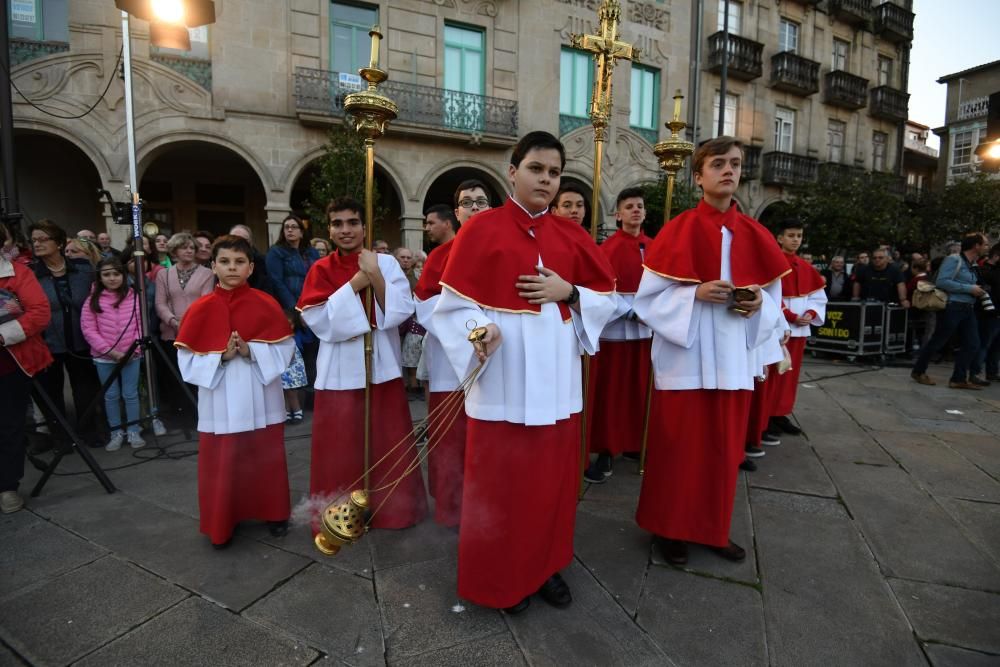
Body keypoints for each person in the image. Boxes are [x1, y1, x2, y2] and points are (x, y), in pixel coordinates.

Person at [431, 131, 617, 613]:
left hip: (557, 385)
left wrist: (570, 292)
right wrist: (478, 330)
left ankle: (544, 567)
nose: (546, 180)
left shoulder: (573, 236)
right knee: (500, 486)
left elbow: (609, 302)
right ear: (513, 171)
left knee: (549, 486)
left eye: (554, 173)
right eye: (537, 169)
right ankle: (501, 578)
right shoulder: (480, 229)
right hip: (503, 383)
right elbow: (450, 309)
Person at [631, 136, 787, 567]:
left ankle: (713, 529)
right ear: (698, 176)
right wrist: (694, 294)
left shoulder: (757, 235)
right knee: (678, 452)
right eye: (718, 163)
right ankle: (670, 529)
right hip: (687, 362)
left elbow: (774, 303)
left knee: (724, 454)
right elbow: (646, 302)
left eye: (735, 163)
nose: (729, 170)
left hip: (734, 361)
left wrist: (759, 304)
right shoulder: (677, 231)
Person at [298, 197, 427, 532]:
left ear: (364, 226)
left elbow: (400, 311)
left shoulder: (384, 263)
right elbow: (319, 320)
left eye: (352, 222)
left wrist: (375, 275)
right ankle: (340, 515)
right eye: (337, 223)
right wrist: (357, 284)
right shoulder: (320, 269)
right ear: (328, 229)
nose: (345, 230)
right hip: (339, 367)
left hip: (380, 364)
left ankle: (392, 510)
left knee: (385, 439)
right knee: (341, 445)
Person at [176, 235, 296, 548]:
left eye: (239, 262)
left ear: (251, 267)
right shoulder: (200, 308)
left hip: (260, 392)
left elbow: (286, 349)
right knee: (223, 460)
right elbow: (186, 360)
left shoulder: (266, 303)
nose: (232, 267)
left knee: (265, 456)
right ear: (213, 266)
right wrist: (221, 356)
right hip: (221, 397)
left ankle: (274, 514)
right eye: (225, 261)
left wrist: (251, 351)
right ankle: (222, 523)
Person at [584, 186, 652, 483]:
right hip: (615, 332)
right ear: (618, 214)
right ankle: (608, 449)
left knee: (642, 390)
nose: (635, 210)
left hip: (648, 332)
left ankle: (637, 442)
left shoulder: (656, 246)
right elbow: (599, 288)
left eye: (639, 206)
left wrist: (653, 310)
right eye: (629, 207)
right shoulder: (606, 249)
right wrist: (628, 311)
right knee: (612, 394)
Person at [30, 219, 104, 447]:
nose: (38, 244)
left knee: (85, 389)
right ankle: (61, 438)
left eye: (43, 239)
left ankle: (88, 432)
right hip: (47, 343)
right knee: (50, 392)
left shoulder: (83, 270)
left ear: (60, 242)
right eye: (34, 240)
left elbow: (103, 294)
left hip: (81, 341)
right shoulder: (31, 274)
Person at [413, 204, 464, 526]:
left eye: (431, 222)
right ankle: (450, 506)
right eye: (468, 203)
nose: (427, 228)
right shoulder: (437, 257)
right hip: (449, 360)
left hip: (495, 358)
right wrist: (471, 333)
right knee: (449, 437)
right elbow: (426, 304)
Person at [0, 223, 53, 514]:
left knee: (9, 425)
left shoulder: (19, 273)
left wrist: (2, 336)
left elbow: (40, 313)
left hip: (10, 364)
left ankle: (7, 486)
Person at [766, 219, 827, 438]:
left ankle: (781, 412)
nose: (795, 240)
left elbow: (817, 297)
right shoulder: (772, 262)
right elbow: (770, 295)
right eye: (791, 235)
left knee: (790, 376)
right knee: (774, 373)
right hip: (779, 328)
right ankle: (766, 416)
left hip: (800, 329)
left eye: (799, 236)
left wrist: (810, 314)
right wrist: (790, 316)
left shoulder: (806, 267)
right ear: (780, 238)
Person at [80, 258, 146, 450]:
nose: (112, 278)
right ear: (100, 277)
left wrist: (134, 348)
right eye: (107, 274)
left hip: (132, 355)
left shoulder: (134, 296)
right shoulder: (92, 300)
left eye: (116, 274)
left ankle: (134, 430)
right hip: (104, 357)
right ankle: (116, 432)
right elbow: (89, 330)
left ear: (124, 276)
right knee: (110, 395)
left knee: (130, 394)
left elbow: (141, 325)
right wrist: (111, 351)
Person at [911, 233, 990, 389]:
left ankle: (958, 378)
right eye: (985, 244)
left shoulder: (972, 264)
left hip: (968, 307)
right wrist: (970, 288)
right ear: (976, 245)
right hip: (953, 306)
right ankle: (919, 371)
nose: (987, 247)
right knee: (939, 341)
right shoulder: (954, 259)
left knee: (973, 343)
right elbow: (942, 281)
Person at [155, 232, 214, 425]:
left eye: (192, 247)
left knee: (197, 376)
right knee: (175, 376)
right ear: (174, 251)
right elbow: (160, 303)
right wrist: (173, 321)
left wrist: (188, 324)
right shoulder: (163, 274)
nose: (189, 250)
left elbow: (206, 302)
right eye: (184, 247)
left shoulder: (206, 274)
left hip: (198, 333)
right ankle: (179, 415)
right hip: (171, 332)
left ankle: (200, 416)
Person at [266, 215, 320, 387]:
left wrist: (312, 306)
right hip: (288, 309)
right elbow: (277, 282)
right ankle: (295, 403)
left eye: (294, 227)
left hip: (312, 305)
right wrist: (297, 310)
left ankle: (313, 393)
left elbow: (318, 279)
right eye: (286, 227)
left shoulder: (311, 252)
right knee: (294, 353)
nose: (289, 230)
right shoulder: (276, 252)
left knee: (314, 352)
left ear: (302, 232)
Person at [970, 245, 999, 385]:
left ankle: (992, 372)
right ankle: (975, 373)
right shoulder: (985, 272)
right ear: (996, 256)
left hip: (993, 313)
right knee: (985, 343)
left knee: (995, 345)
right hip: (989, 313)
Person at [228, 224, 272, 295]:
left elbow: (265, 289)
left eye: (243, 240)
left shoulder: (261, 262)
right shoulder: (222, 261)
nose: (237, 243)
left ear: (250, 243)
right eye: (233, 238)